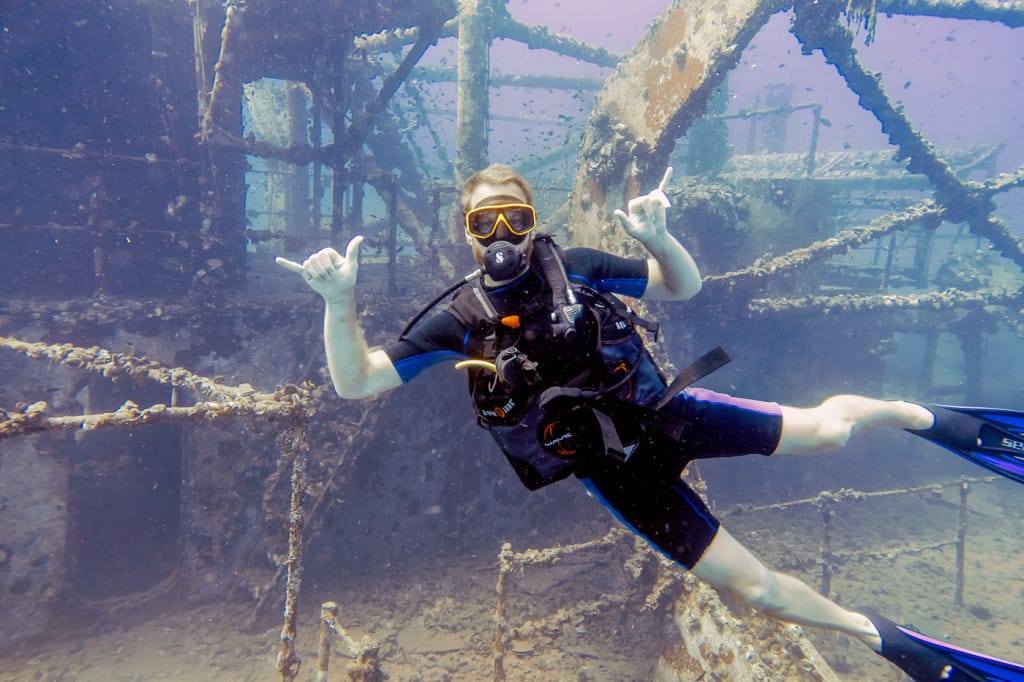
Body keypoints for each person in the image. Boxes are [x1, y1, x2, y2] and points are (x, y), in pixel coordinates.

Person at [278, 163, 1024, 681]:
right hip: (618, 476)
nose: (503, 235)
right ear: (466, 234)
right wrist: (337, 303)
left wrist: (658, 235)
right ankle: (886, 639)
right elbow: (357, 381)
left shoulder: (572, 265)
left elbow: (681, 285)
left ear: (535, 221)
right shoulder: (457, 318)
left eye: (517, 217)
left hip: (672, 418)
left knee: (828, 432)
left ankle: (925, 418)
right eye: (486, 221)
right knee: (755, 591)